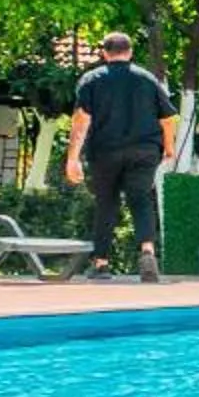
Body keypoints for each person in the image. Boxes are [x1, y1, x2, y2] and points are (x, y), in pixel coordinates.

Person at [66, 33, 178, 282]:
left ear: (105, 53)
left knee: (106, 203)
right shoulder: (147, 79)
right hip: (144, 151)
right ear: (130, 52)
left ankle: (102, 263)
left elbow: (82, 119)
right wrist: (169, 147)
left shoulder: (92, 79)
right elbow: (167, 117)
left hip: (105, 151)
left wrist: (72, 158)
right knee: (141, 200)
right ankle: (147, 251)